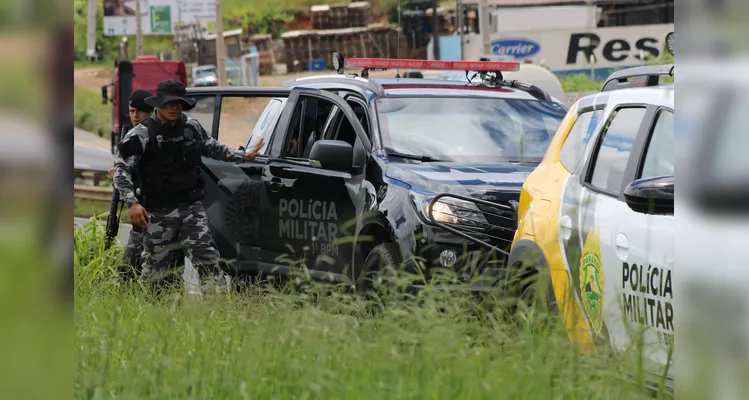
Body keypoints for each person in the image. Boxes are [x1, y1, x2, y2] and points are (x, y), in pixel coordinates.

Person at [113, 79, 264, 293]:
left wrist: (241, 155)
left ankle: (217, 316)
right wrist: (132, 203)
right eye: (170, 103)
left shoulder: (190, 127)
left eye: (179, 103)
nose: (175, 107)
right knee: (157, 274)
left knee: (209, 261)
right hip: (157, 213)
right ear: (158, 104)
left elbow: (211, 146)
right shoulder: (141, 134)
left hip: (190, 208)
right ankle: (155, 318)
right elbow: (121, 168)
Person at [108, 89, 187, 281]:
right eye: (132, 111)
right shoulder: (135, 136)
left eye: (140, 111)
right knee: (127, 271)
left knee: (167, 272)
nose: (135, 116)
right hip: (143, 215)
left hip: (167, 215)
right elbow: (125, 166)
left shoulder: (165, 134)